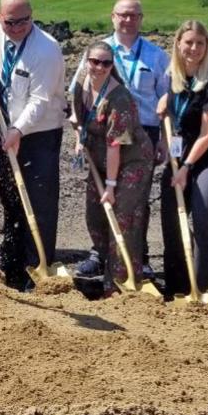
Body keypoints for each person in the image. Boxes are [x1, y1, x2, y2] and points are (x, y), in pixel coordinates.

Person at [0, 0, 66, 289]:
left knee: (37, 204)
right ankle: (11, 262)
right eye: (10, 22)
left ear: (32, 16)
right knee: (11, 202)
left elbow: (40, 100)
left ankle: (36, 267)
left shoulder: (47, 50)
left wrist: (19, 131)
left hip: (37, 136)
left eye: (23, 21)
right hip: (3, 132)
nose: (16, 27)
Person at [73, 0, 168, 278]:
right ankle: (100, 254)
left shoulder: (155, 56)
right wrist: (80, 132)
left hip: (141, 135)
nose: (128, 20)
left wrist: (162, 138)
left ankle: (133, 262)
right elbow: (77, 94)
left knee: (132, 203)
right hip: (101, 134)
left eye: (134, 15)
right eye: (123, 15)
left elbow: (165, 100)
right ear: (112, 17)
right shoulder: (97, 52)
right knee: (98, 201)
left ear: (141, 18)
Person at [157, 20, 208, 300]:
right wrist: (165, 105)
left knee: (203, 218)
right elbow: (175, 113)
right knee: (171, 218)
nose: (194, 48)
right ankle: (177, 285)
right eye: (188, 42)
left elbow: (207, 134)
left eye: (200, 43)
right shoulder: (173, 78)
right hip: (180, 155)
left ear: (207, 47)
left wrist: (187, 168)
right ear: (178, 44)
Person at [69, 41, 155, 291]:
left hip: (131, 161)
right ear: (86, 61)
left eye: (106, 63)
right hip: (99, 157)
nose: (99, 67)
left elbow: (115, 144)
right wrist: (79, 141)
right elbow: (78, 120)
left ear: (111, 66)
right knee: (95, 214)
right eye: (94, 61)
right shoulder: (81, 85)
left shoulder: (119, 98)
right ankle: (104, 262)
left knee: (122, 217)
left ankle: (120, 281)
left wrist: (110, 186)